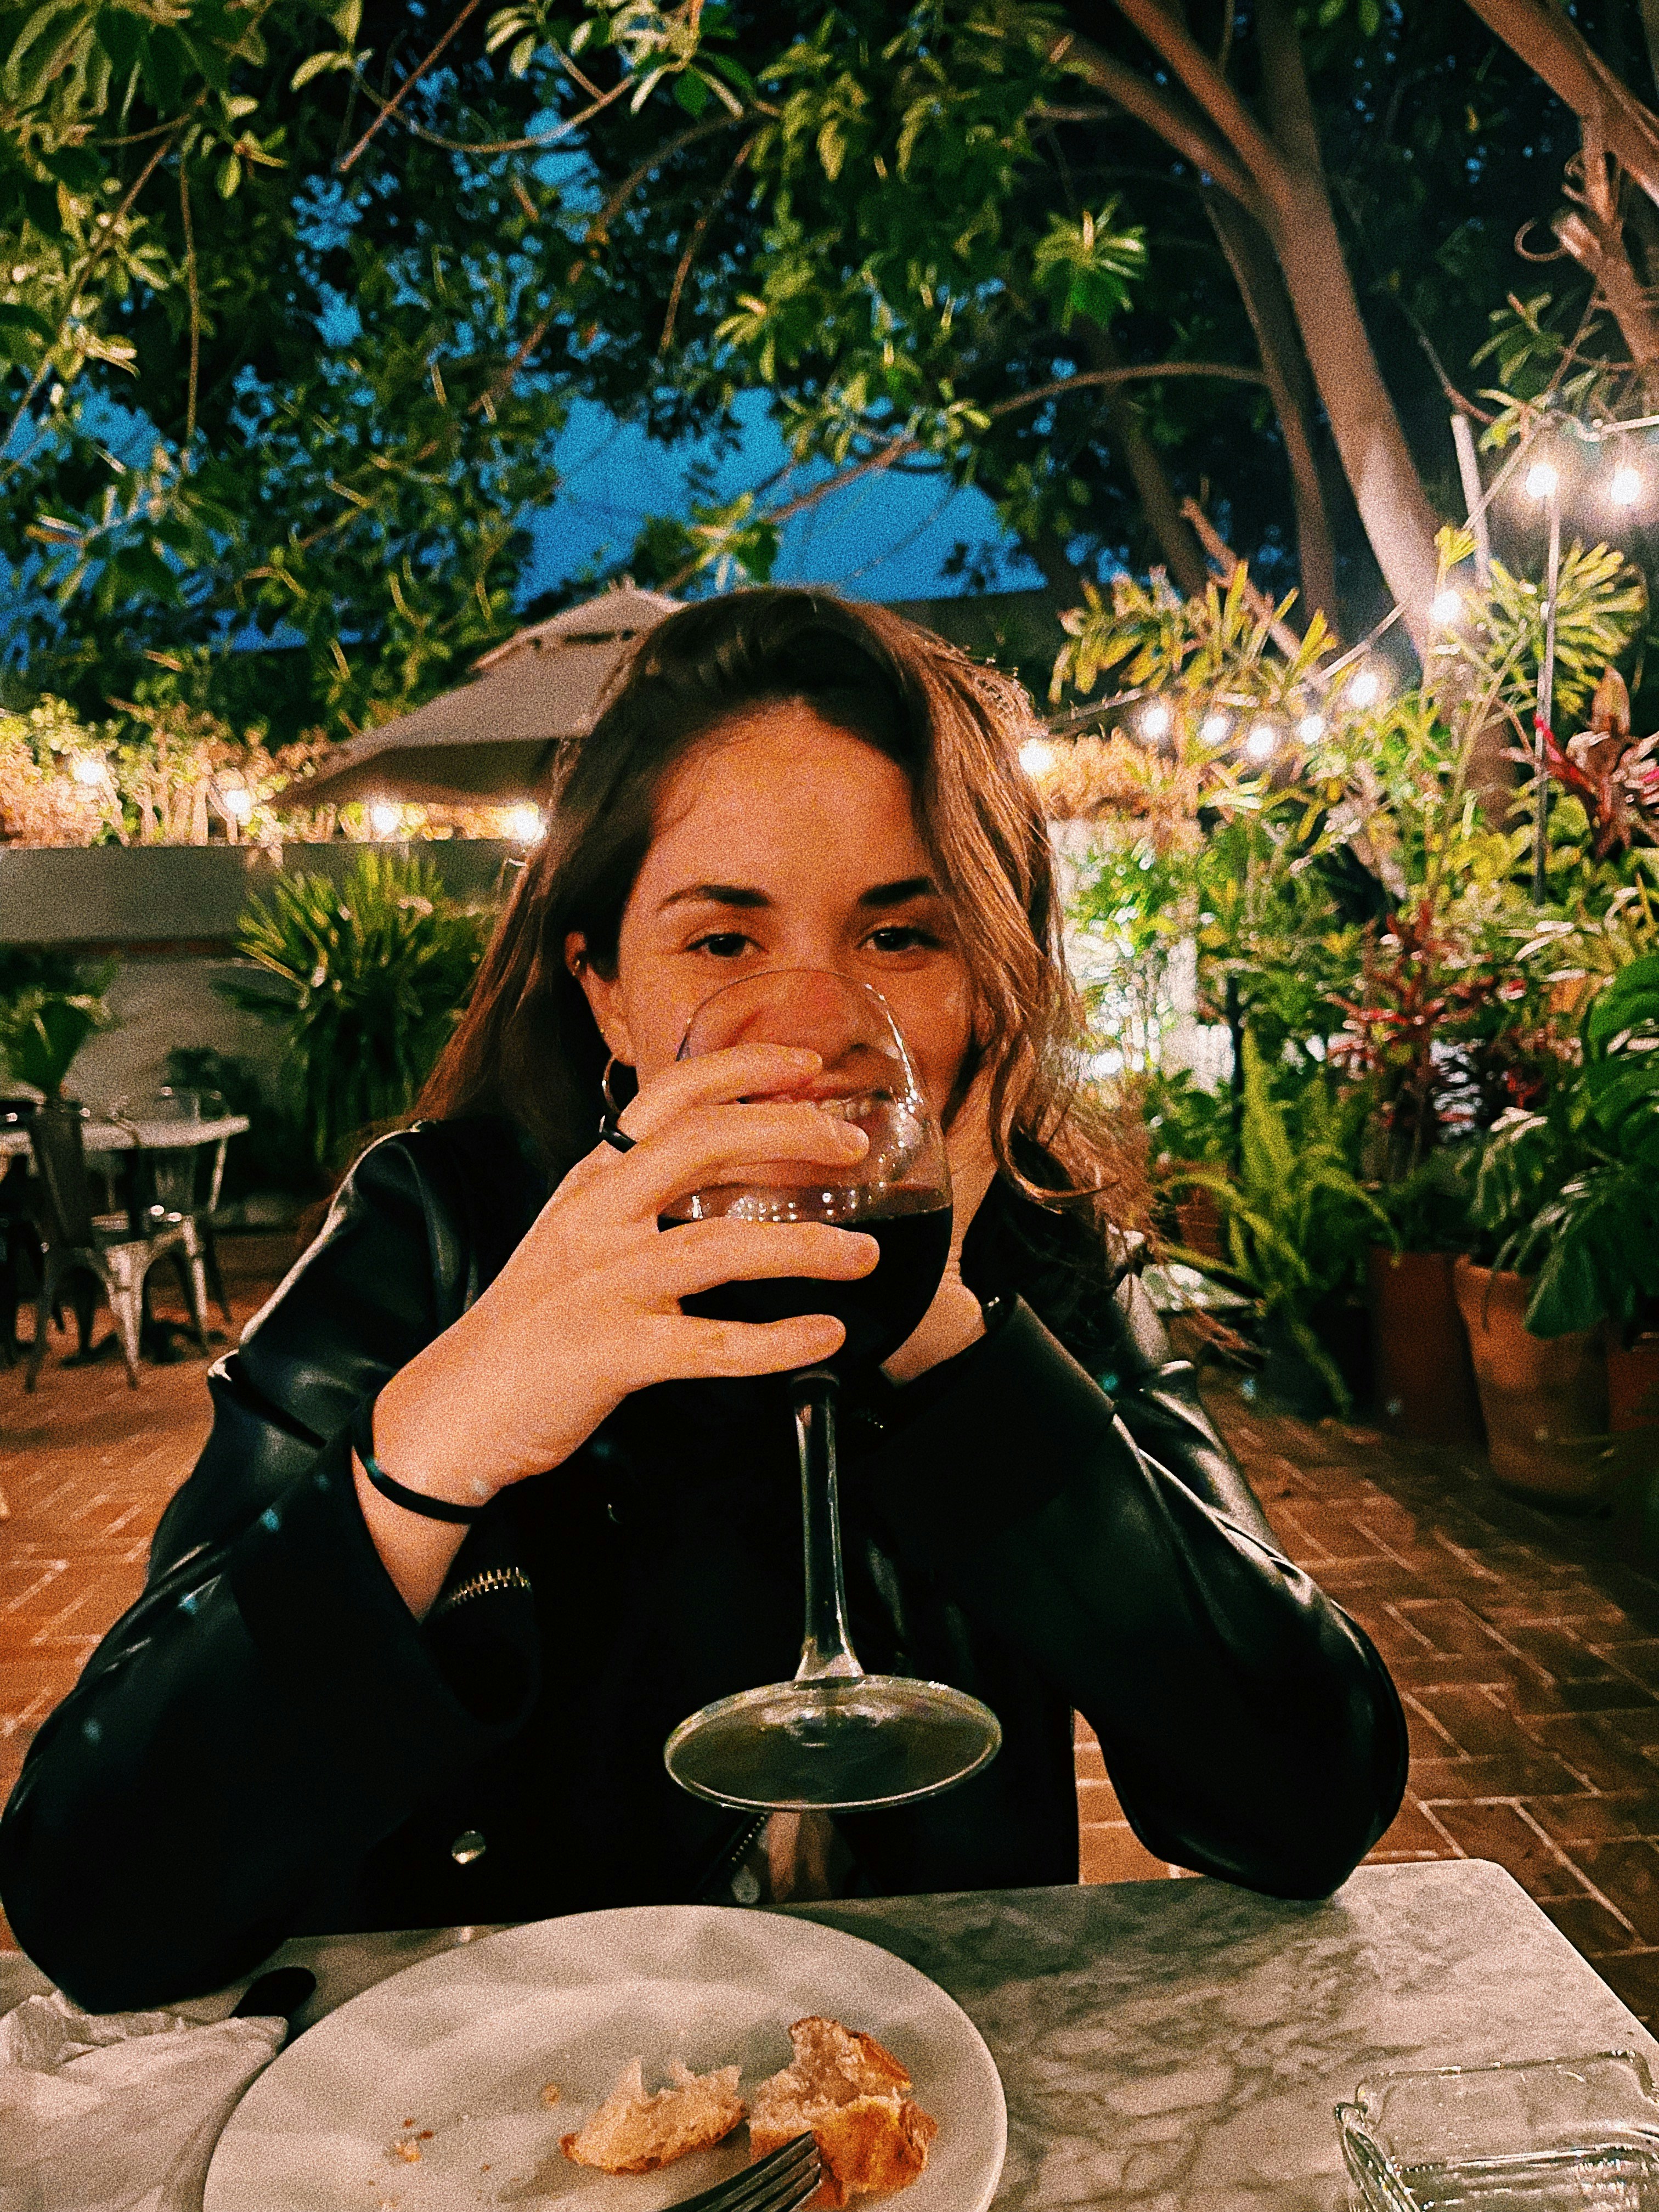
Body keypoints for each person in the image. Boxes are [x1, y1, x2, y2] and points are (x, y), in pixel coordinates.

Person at [0, 590, 1407, 2012]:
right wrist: (433, 1441)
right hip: (497, 2111)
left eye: (903, 939)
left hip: (934, 2101)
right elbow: (98, 1905)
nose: (807, 1028)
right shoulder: (436, 1231)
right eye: (724, 945)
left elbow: (1307, 1803)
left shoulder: (1031, 1257)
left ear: (995, 986)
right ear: (605, 992)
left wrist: (951, 1350)